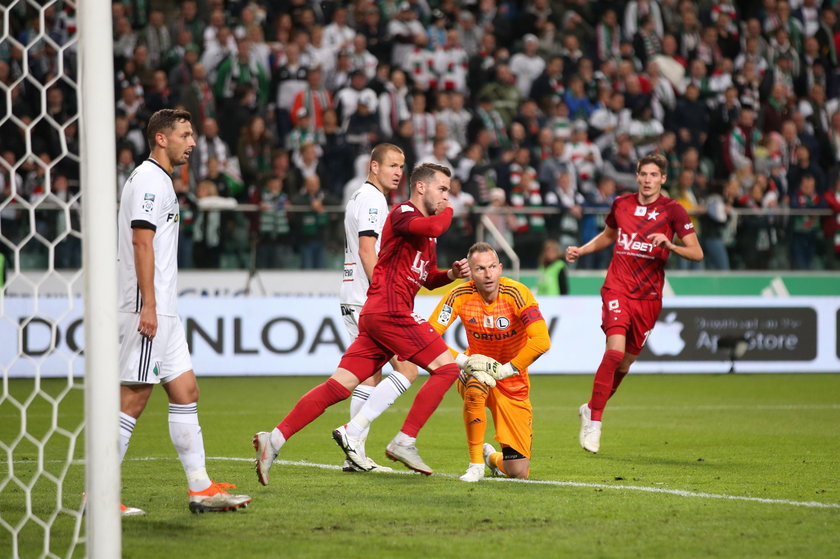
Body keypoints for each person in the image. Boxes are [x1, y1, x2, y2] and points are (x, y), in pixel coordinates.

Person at [253, 163, 471, 483]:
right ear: (421, 188)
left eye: (448, 192)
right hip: (391, 312)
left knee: (339, 386)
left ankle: (273, 440)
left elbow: (428, 278)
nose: (446, 196)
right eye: (442, 189)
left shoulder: (425, 234)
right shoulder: (402, 212)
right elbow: (437, 227)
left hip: (377, 315)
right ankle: (404, 440)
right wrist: (452, 209)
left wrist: (450, 275)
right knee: (447, 369)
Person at [117, 109, 251, 514]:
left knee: (185, 391)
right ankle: (99, 495)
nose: (192, 143)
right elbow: (142, 243)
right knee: (132, 399)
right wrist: (151, 306)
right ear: (161, 138)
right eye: (185, 135)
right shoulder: (148, 182)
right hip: (148, 308)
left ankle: (200, 487)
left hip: (164, 310)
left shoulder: (161, 181)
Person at [565, 153, 703, 453]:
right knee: (614, 353)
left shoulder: (673, 211)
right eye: (643, 174)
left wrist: (670, 245)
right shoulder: (621, 204)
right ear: (637, 176)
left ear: (663, 178)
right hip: (617, 288)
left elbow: (697, 253)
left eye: (654, 175)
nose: (648, 180)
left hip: (649, 298)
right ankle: (595, 423)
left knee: (625, 363)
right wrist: (582, 251)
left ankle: (591, 407)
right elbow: (609, 235)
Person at [427, 242, 551, 482]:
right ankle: (475, 465)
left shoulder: (517, 293)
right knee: (475, 386)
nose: (488, 274)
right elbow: (428, 334)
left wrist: (506, 370)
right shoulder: (459, 294)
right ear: (471, 273)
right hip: (475, 368)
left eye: (492, 267)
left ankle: (491, 458)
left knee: (519, 472)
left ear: (500, 268)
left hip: (512, 381)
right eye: (480, 268)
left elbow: (542, 341)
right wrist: (464, 361)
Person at [338, 143, 418, 472]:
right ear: (374, 166)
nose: (399, 172)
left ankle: (353, 453)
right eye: (392, 165)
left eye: (402, 166)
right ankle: (351, 436)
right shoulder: (372, 199)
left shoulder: (360, 196)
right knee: (408, 367)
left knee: (368, 377)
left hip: (352, 295)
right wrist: (382, 293)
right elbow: (367, 250)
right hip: (367, 298)